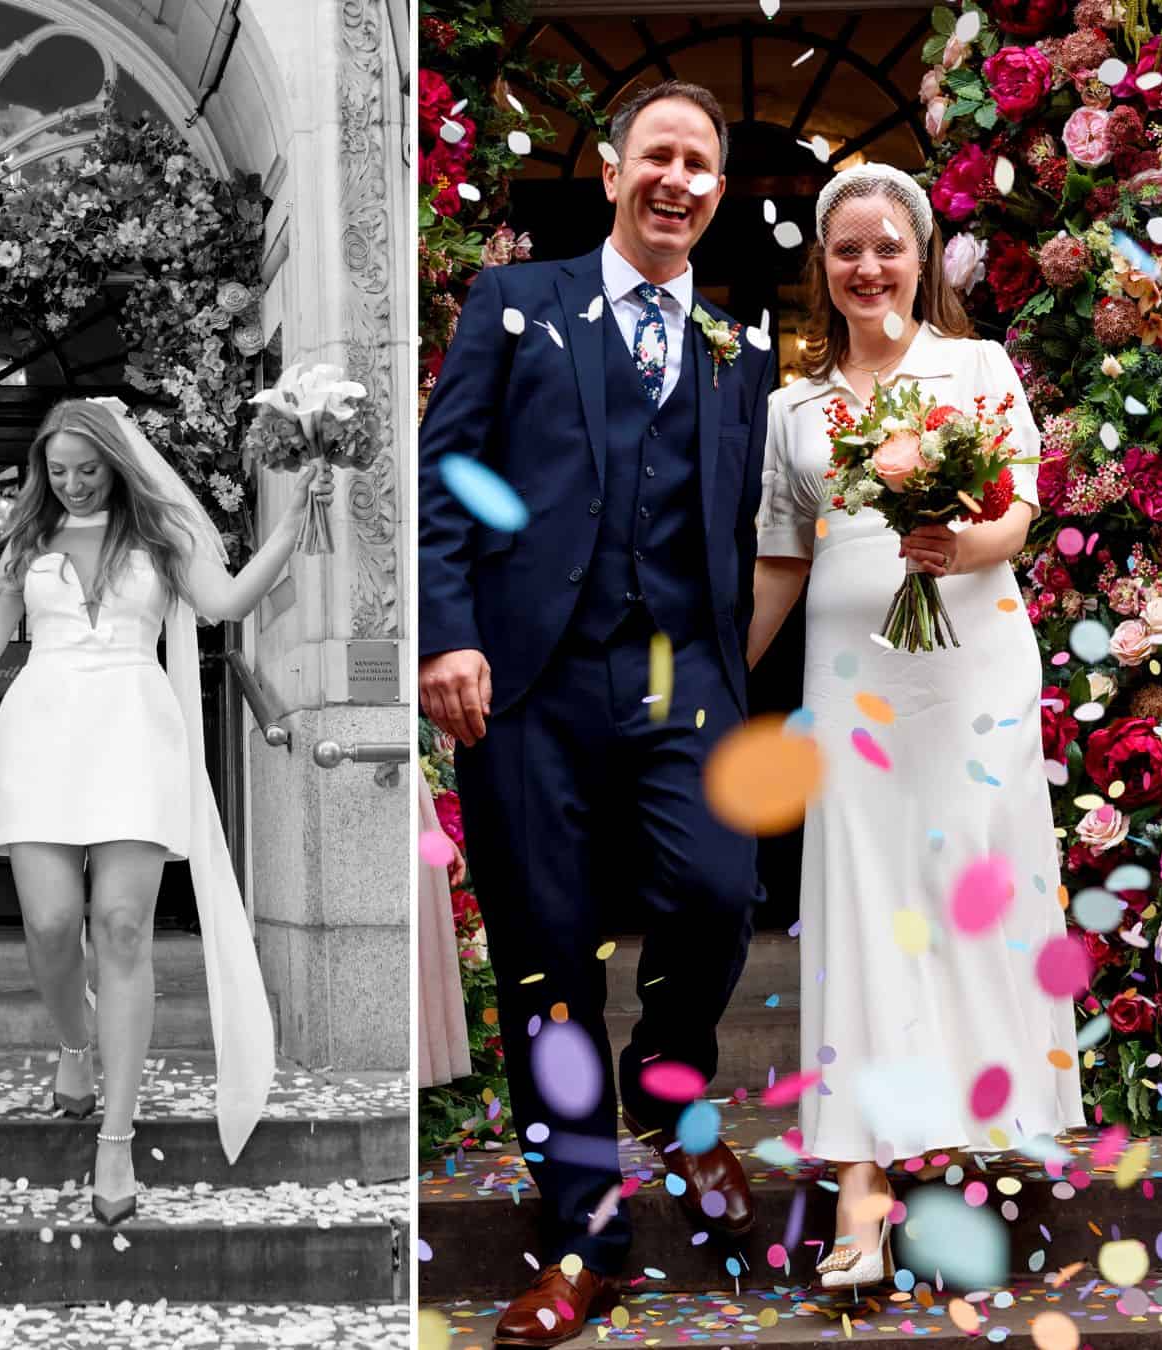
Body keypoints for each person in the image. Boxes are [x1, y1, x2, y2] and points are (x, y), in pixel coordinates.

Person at [415, 80, 776, 1347]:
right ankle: (581, 1238)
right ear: (615, 169)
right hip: (531, 686)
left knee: (715, 895)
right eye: (658, 157)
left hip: (685, 687)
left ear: (718, 194)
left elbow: (745, 530)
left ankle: (667, 1091)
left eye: (701, 165)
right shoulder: (518, 306)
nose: (677, 180)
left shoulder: (744, 349)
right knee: (548, 957)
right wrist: (447, 634)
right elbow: (448, 473)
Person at [746, 162, 1082, 1293]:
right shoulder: (791, 410)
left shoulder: (975, 367)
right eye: (846, 250)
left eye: (888, 245)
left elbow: (1022, 511)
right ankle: (859, 1186)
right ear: (822, 269)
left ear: (922, 254)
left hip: (969, 663)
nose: (868, 266)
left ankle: (971, 1115)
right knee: (860, 903)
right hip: (853, 676)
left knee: (965, 889)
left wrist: (961, 547)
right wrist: (713, 681)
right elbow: (781, 560)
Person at [0, 396, 319, 1225]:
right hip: (41, 731)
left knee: (120, 925)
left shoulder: (161, 535)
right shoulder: (26, 542)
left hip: (134, 732)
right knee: (49, 923)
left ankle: (114, 1137)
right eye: (58, 471)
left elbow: (223, 605)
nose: (72, 484)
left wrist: (290, 530)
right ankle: (74, 1045)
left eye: (87, 469)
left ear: (117, 462)